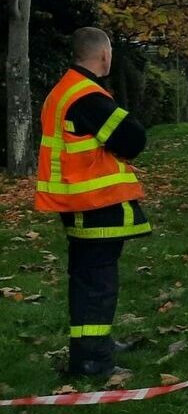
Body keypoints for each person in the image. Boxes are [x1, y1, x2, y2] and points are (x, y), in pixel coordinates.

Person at [33, 27, 151, 377]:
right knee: (97, 285)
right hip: (93, 203)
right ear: (104, 54)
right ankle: (93, 362)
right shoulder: (87, 95)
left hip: (80, 202)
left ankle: (93, 348)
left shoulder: (66, 89)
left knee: (89, 280)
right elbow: (133, 138)